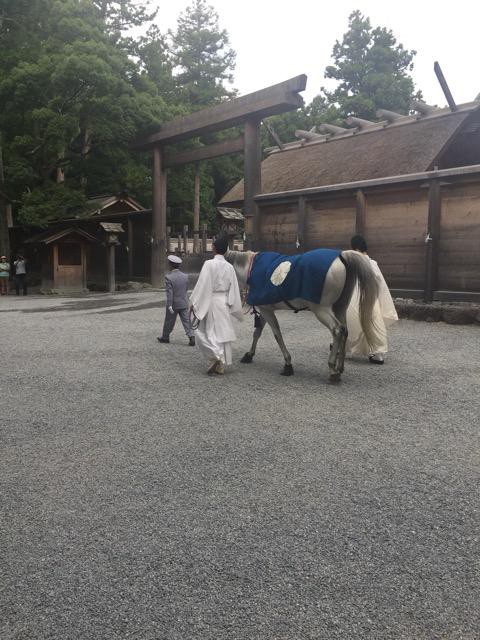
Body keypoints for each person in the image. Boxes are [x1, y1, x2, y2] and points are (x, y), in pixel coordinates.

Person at [189, 234, 242, 375]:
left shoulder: (209, 264)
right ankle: (221, 365)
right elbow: (234, 288)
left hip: (211, 300)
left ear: (213, 248)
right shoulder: (230, 267)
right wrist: (231, 303)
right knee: (222, 333)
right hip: (223, 302)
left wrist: (194, 302)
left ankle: (216, 357)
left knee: (206, 331)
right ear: (225, 251)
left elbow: (202, 285)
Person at [346, 234, 398, 364]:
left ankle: (345, 347)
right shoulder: (372, 263)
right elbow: (380, 284)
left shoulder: (352, 262)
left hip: (354, 298)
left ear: (355, 248)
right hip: (370, 298)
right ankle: (377, 353)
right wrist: (381, 300)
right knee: (374, 322)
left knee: (351, 321)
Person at [157, 255, 195, 346]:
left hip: (173, 304)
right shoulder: (185, 276)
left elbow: (170, 293)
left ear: (170, 265)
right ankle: (191, 336)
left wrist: (169, 305)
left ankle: (165, 337)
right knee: (186, 320)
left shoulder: (168, 277)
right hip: (183, 302)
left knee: (169, 321)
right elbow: (185, 290)